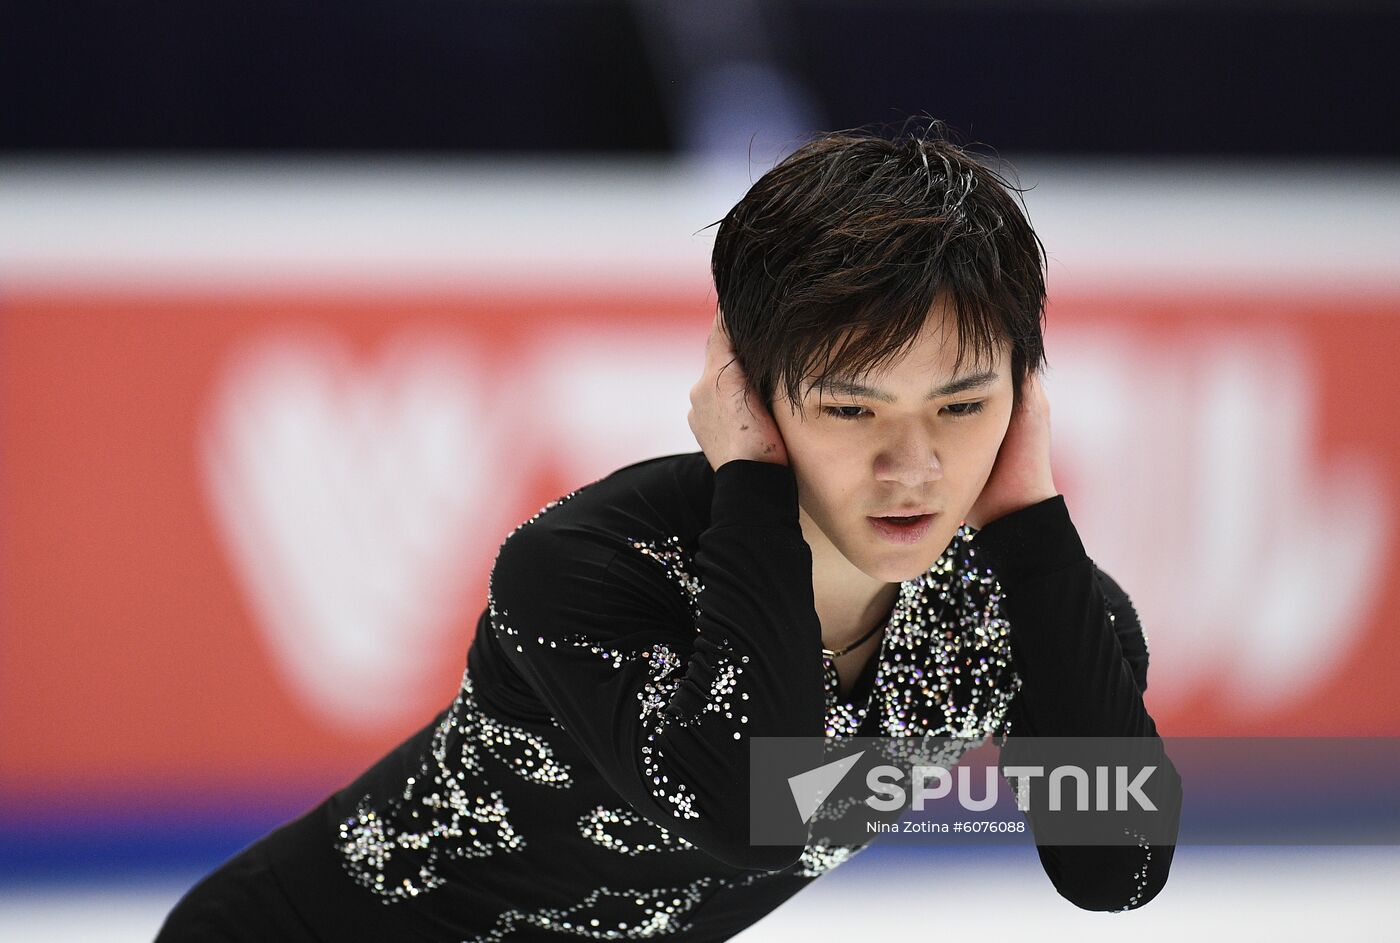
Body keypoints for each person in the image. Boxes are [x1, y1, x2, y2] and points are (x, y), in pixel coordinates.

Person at [157, 125, 1180, 942]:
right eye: (850, 408)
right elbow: (753, 808)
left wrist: (1031, 518)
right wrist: (748, 479)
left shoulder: (1022, 605)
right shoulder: (590, 569)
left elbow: (1114, 867)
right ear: (750, 393)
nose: (910, 468)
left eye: (961, 407)